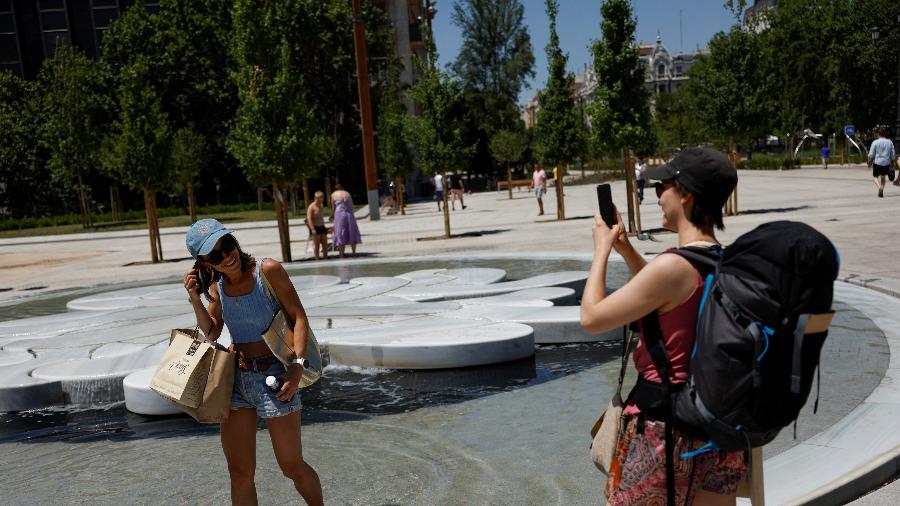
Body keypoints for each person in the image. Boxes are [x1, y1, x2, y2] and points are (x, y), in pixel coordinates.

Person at [580, 148, 746, 506]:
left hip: (662, 431)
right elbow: (669, 301)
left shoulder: (672, 266)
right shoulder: (727, 262)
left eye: (664, 185)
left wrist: (601, 251)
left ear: (685, 194)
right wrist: (627, 250)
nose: (657, 194)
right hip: (719, 430)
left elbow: (591, 318)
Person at [182, 219, 323, 506]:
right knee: (239, 473)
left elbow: (298, 317)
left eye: (228, 245)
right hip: (236, 380)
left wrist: (296, 367)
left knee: (291, 466)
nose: (227, 255)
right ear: (205, 264)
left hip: (276, 377)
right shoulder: (219, 287)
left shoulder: (267, 271)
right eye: (216, 255)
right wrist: (195, 297)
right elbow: (211, 332)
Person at [330, 185, 362, 257]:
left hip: (339, 214)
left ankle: (341, 254)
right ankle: (354, 253)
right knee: (351, 231)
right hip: (349, 214)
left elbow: (333, 208)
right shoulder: (347, 193)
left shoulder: (333, 194)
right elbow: (352, 205)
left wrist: (332, 216)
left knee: (340, 232)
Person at [868, 127, 896, 198]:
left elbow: (871, 154)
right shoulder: (889, 142)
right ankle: (882, 189)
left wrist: (869, 162)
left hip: (877, 162)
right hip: (886, 162)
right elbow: (893, 154)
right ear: (885, 134)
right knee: (883, 177)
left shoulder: (875, 142)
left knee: (875, 177)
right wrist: (892, 162)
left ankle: (880, 187)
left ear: (878, 134)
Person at [306, 191, 328, 260]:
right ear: (315, 198)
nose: (320, 201)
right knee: (317, 245)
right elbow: (309, 219)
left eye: (321, 199)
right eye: (318, 199)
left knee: (325, 244)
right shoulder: (311, 207)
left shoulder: (321, 205)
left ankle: (325, 258)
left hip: (322, 226)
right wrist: (312, 229)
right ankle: (317, 259)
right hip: (315, 227)